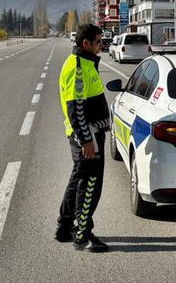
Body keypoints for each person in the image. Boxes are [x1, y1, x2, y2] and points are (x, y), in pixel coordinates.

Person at [55, 23, 111, 252]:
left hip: (89, 134)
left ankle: (64, 227)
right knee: (89, 184)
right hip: (89, 136)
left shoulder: (86, 63)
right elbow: (76, 110)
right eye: (98, 41)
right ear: (85, 43)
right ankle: (83, 235)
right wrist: (86, 140)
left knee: (77, 180)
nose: (101, 45)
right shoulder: (78, 68)